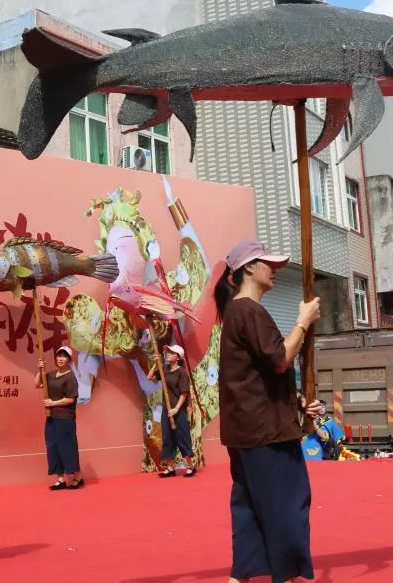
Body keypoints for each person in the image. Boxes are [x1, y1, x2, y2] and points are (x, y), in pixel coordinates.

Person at [215, 239, 322, 583]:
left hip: (249, 429)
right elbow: (279, 359)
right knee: (287, 506)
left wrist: (299, 403)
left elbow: (258, 375)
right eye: (267, 263)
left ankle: (240, 577)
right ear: (249, 268)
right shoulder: (247, 309)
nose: (274, 269)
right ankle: (287, 574)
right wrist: (303, 321)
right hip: (264, 433)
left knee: (249, 508)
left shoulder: (239, 311)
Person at [36, 345, 84, 490]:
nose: (61, 359)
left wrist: (53, 403)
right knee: (53, 447)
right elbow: (37, 383)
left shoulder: (70, 377)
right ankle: (60, 478)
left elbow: (70, 399)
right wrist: (40, 369)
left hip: (65, 418)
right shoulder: (49, 375)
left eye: (64, 356)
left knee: (67, 447)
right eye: (59, 356)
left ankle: (77, 477)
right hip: (51, 418)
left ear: (69, 360)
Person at [149, 343, 196, 477]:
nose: (168, 354)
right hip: (166, 409)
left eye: (171, 352)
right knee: (167, 437)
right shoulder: (164, 369)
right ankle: (170, 468)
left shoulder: (182, 372)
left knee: (182, 436)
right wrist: (155, 364)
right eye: (167, 352)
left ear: (178, 357)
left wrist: (176, 409)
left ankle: (190, 466)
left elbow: (184, 393)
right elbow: (150, 377)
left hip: (178, 409)